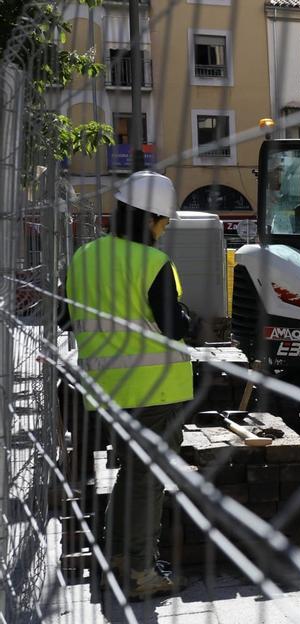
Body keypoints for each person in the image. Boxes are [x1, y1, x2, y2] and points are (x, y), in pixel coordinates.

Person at [64, 170, 193, 599]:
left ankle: (118, 557)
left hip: (104, 390)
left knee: (130, 476)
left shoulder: (83, 258)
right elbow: (175, 326)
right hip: (153, 391)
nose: (166, 227)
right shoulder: (154, 263)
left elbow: (65, 318)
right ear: (149, 218)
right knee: (146, 481)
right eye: (164, 220)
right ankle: (140, 570)